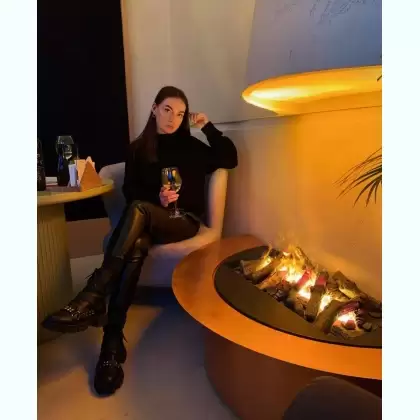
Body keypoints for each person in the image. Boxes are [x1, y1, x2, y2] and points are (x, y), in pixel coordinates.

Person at [42, 86, 238, 396]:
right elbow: (131, 193)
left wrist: (207, 127)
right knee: (137, 244)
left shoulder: (193, 147)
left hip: (181, 220)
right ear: (154, 109)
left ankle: (94, 294)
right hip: (149, 219)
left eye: (180, 114)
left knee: (139, 213)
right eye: (167, 110)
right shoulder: (137, 150)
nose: (173, 118)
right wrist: (158, 198)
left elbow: (230, 157)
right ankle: (111, 344)